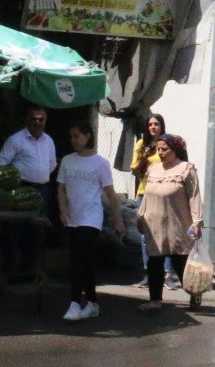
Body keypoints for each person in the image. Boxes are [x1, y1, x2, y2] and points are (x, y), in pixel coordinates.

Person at [56, 119, 123, 321]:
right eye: (71, 137)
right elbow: (61, 189)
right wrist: (63, 210)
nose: (74, 140)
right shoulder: (67, 160)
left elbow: (111, 194)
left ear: (87, 136)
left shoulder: (100, 163)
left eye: (77, 136)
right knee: (83, 261)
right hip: (73, 216)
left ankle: (75, 302)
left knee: (79, 257)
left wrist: (118, 220)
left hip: (91, 217)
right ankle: (93, 303)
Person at [137, 133, 203, 311]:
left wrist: (196, 222)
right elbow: (146, 195)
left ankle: (194, 294)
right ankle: (154, 301)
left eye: (165, 149)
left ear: (176, 150)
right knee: (154, 262)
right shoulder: (153, 169)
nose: (160, 152)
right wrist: (140, 215)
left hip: (178, 225)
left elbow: (194, 197)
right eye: (158, 149)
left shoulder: (185, 169)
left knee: (180, 262)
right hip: (154, 224)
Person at [0, 105, 57, 281]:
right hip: (20, 188)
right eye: (34, 119)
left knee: (36, 233)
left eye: (41, 120)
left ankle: (29, 273)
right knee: (14, 230)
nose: (37, 122)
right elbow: (0, 162)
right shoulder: (16, 140)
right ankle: (10, 273)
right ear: (27, 120)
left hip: (41, 191)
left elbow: (51, 164)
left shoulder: (49, 141)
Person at [126, 113, 165, 287]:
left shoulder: (167, 144)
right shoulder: (141, 145)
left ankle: (167, 274)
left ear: (162, 126)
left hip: (164, 193)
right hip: (145, 193)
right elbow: (134, 170)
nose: (153, 127)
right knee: (144, 235)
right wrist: (144, 157)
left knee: (164, 233)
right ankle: (148, 273)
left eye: (156, 124)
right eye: (150, 124)